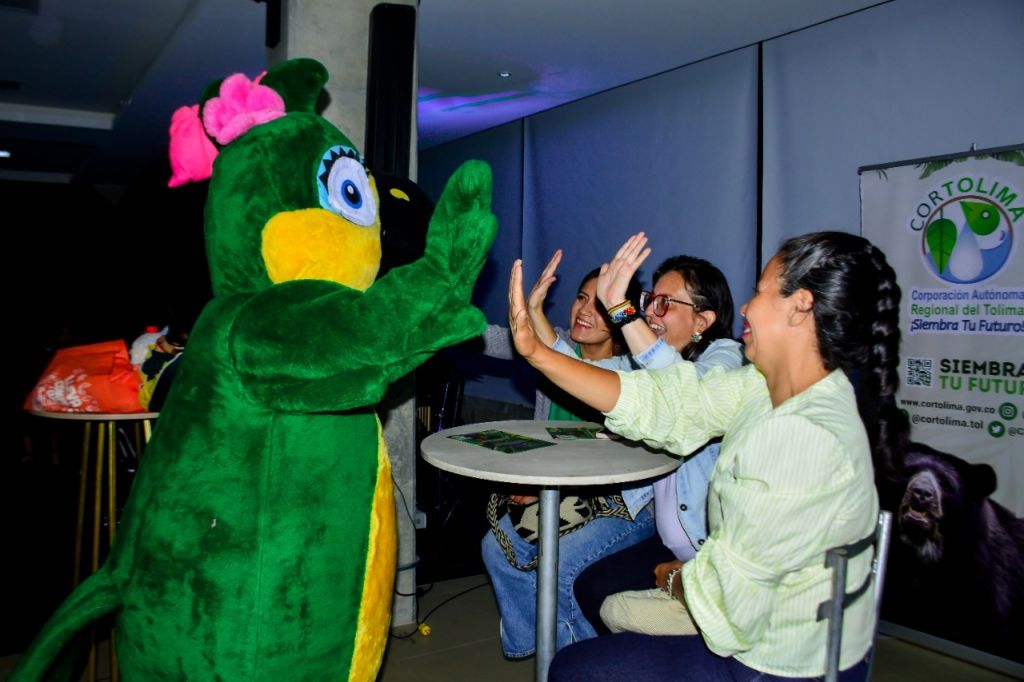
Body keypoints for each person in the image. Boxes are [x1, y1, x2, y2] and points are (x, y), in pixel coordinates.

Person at [508, 230, 905, 681]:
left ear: (802, 307)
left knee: (577, 669)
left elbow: (727, 610)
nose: (749, 308)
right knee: (602, 621)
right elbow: (670, 404)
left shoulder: (800, 435)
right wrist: (539, 354)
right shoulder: (767, 384)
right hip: (755, 628)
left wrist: (674, 579)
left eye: (761, 292)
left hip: (773, 663)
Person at [481, 251, 656, 658]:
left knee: (556, 566)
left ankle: (574, 660)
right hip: (567, 495)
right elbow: (502, 340)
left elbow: (559, 358)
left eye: (600, 304)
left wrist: (536, 318)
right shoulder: (558, 346)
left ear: (621, 316)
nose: (584, 310)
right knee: (495, 546)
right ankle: (537, 645)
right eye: (580, 298)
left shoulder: (633, 371)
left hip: (620, 505)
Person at [572, 233, 744, 635]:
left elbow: (687, 396)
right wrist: (534, 337)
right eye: (650, 301)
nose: (650, 313)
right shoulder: (646, 364)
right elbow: (594, 374)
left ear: (703, 320)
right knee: (590, 586)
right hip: (671, 543)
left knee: (599, 593)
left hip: (711, 554)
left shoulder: (727, 359)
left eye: (664, 305)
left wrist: (623, 312)